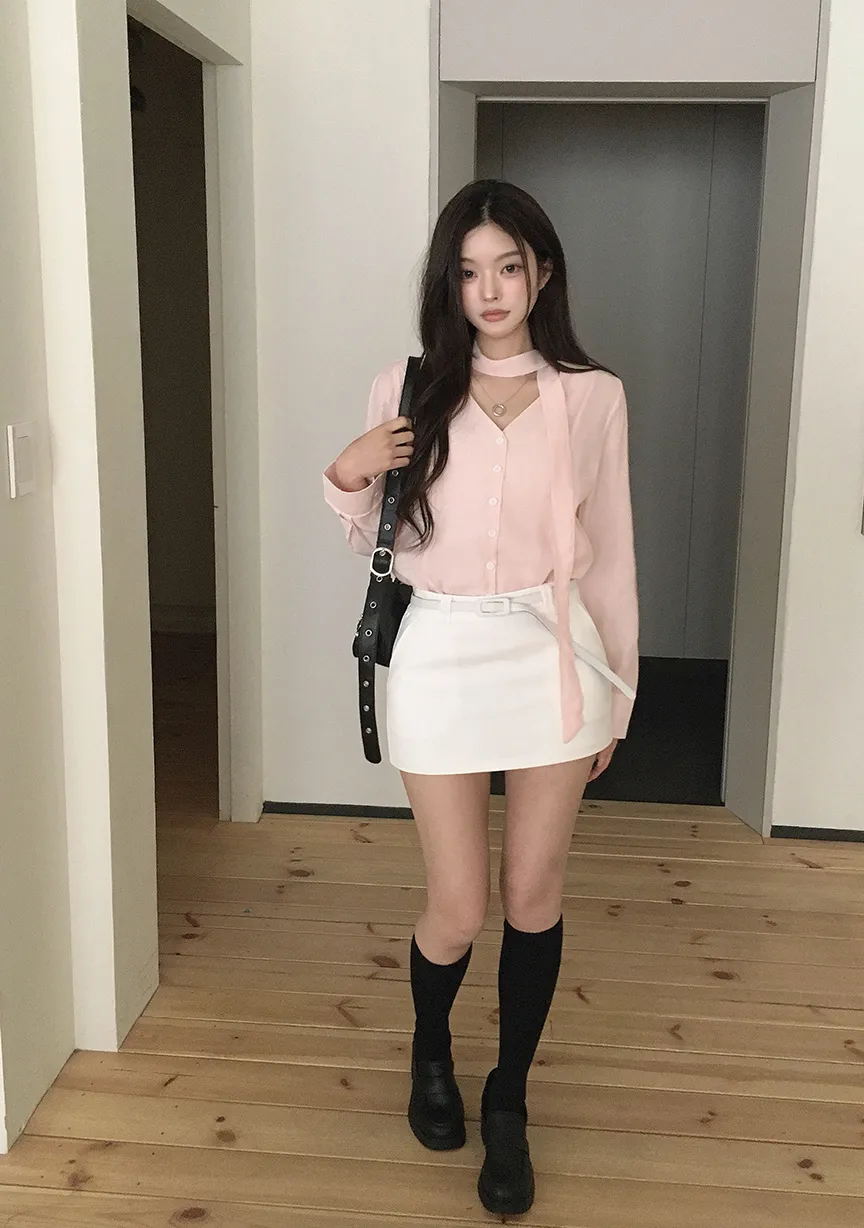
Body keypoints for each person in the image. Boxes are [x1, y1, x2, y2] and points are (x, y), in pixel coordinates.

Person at [323, 178, 638, 1216]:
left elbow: (610, 553)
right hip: (440, 650)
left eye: (508, 266)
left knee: (532, 897)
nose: (490, 290)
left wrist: (620, 688)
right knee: (457, 904)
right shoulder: (408, 385)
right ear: (447, 284)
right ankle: (430, 1053)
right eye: (468, 271)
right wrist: (347, 470)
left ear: (542, 273)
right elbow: (366, 528)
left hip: (554, 654)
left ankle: (509, 1099)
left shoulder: (592, 395)